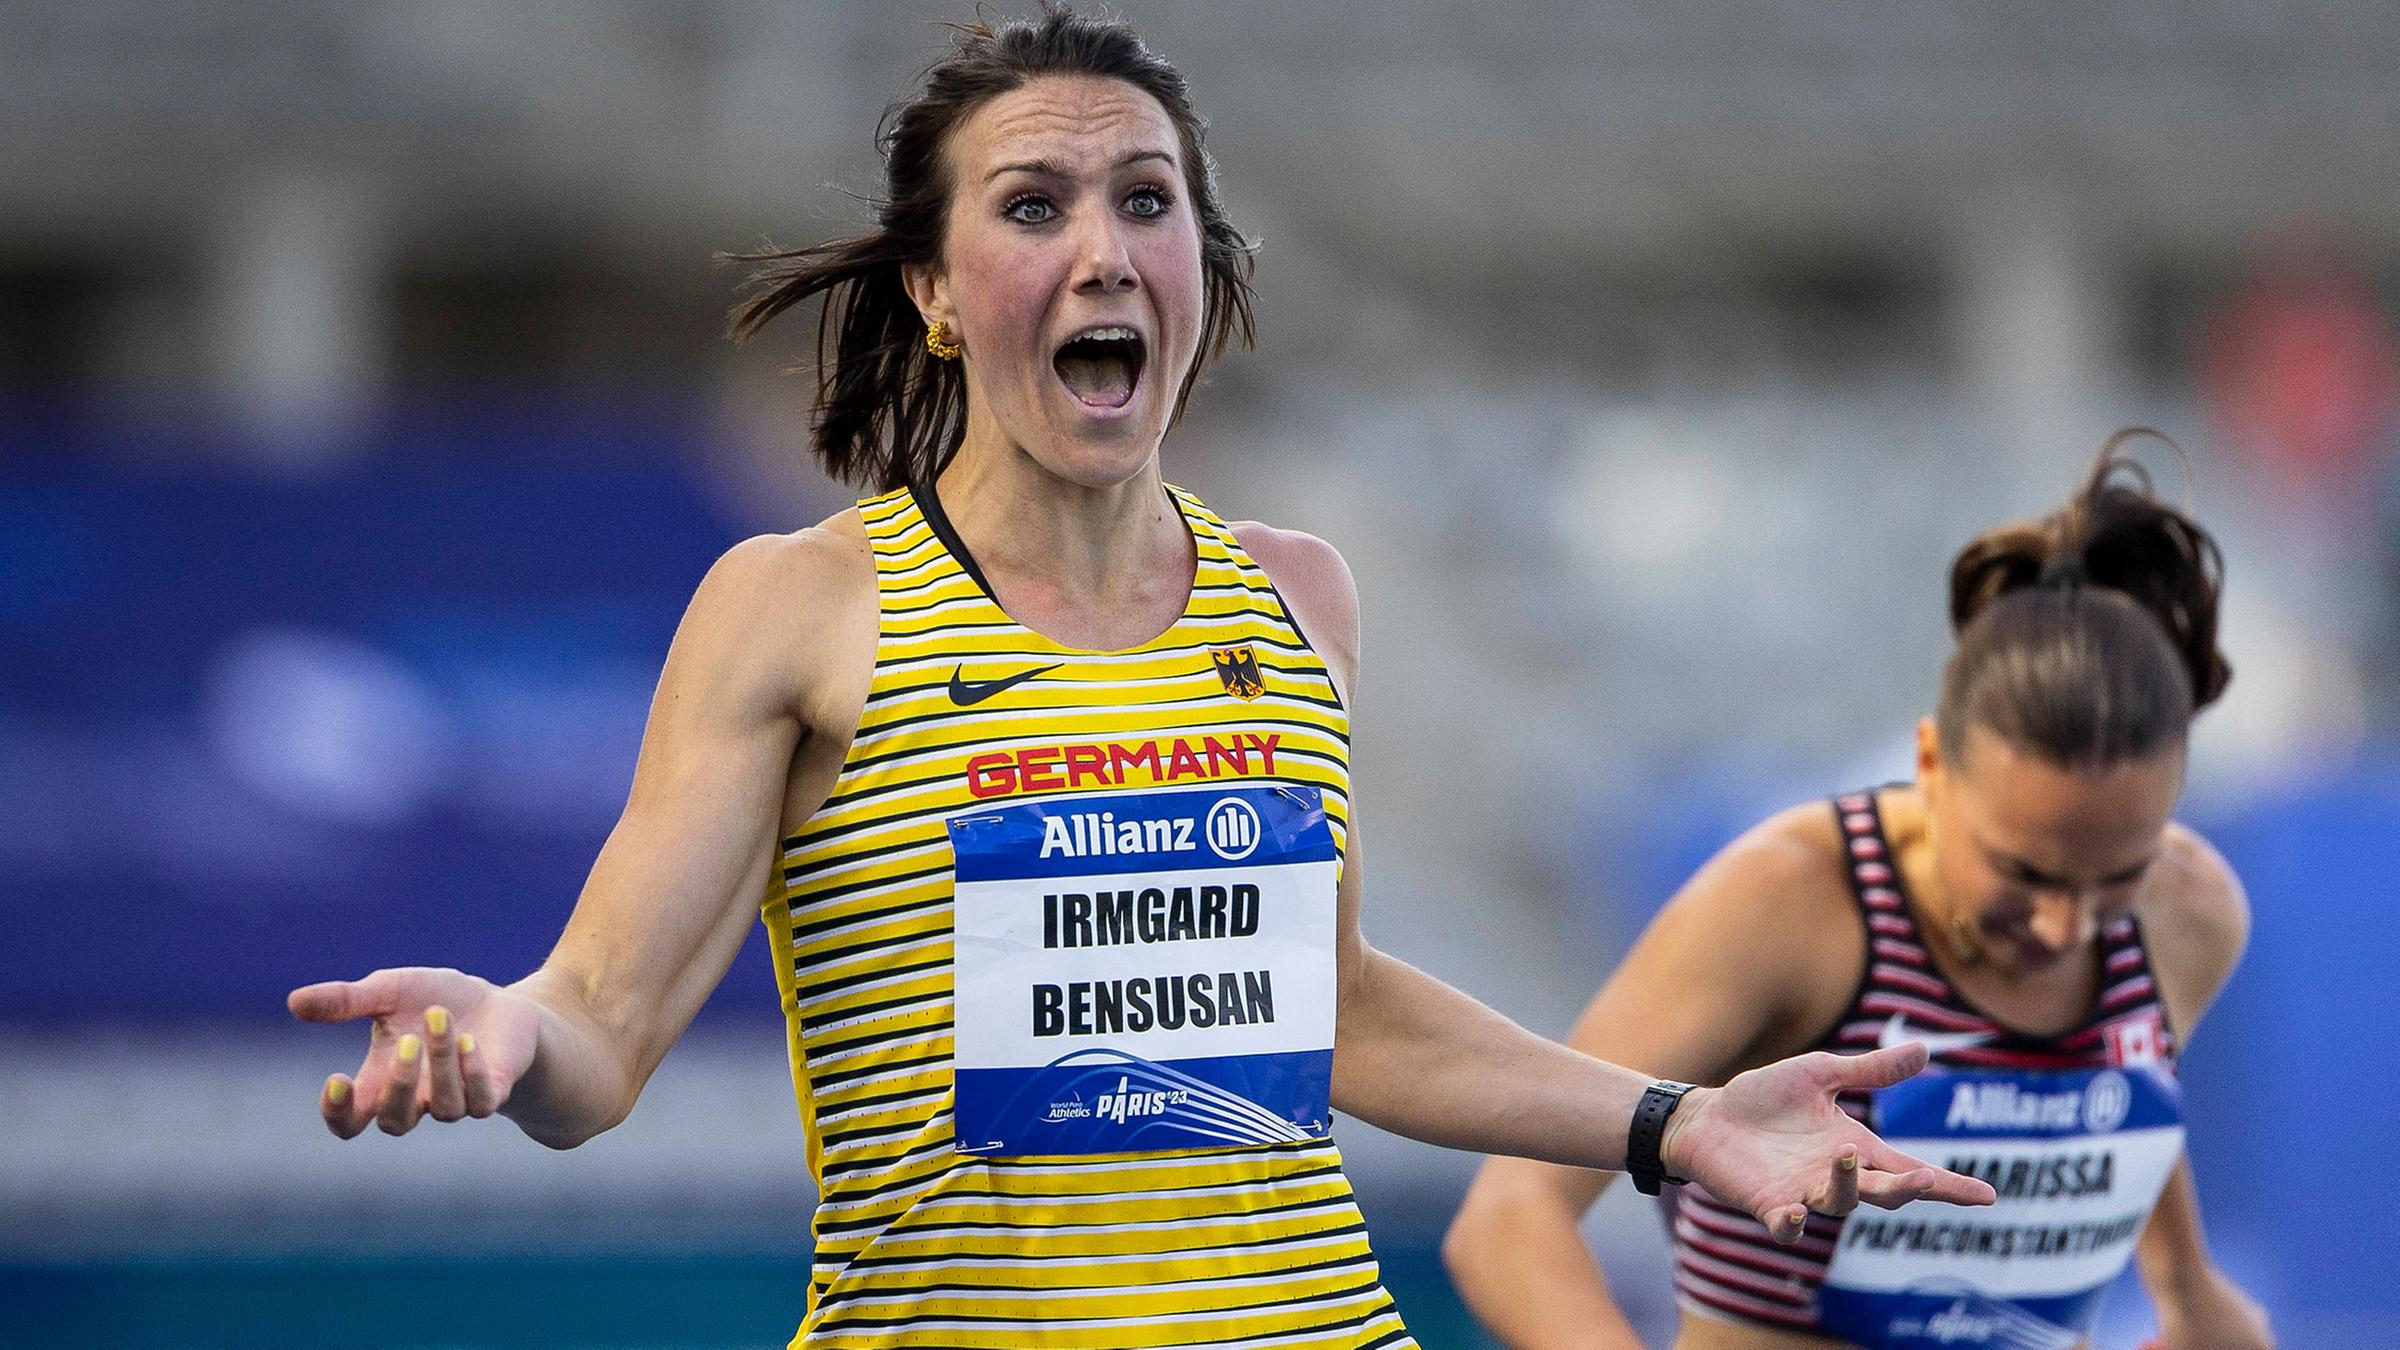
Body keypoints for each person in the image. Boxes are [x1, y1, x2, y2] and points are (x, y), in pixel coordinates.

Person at [286, 10, 1989, 1347]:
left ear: (1200, 274)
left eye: (1146, 202)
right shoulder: (799, 608)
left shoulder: (1298, 598)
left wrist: (1678, 1125)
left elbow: (1332, 1010)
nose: (1102, 248)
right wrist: (506, 1033)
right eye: (1033, 207)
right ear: (939, 292)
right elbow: (606, 1023)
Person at [1445, 434, 2275, 1349]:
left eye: (2119, 874)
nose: (2066, 926)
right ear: (1929, 764)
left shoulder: (2189, 916)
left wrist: (2189, 1290)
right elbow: (1508, 1216)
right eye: (2023, 871)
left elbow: (2115, 1085)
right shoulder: (1791, 903)